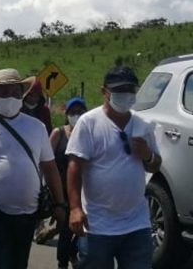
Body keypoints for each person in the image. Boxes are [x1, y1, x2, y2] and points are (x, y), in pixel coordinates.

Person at [0, 68, 67, 269]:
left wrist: (60, 204)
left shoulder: (37, 127)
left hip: (27, 212)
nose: (11, 97)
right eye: (4, 92)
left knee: (18, 262)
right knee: (0, 260)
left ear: (22, 95)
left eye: (16, 92)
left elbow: (50, 168)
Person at [66, 66, 162, 269]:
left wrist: (148, 155)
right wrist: (75, 208)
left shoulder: (143, 124)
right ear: (104, 92)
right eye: (119, 90)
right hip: (97, 225)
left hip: (137, 223)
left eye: (130, 89)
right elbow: (75, 167)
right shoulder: (88, 123)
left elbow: (155, 165)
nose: (126, 95)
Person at [47, 97, 87, 269]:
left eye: (80, 112)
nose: (76, 115)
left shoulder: (88, 134)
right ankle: (62, 262)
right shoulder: (59, 133)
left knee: (83, 228)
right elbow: (46, 160)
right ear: (67, 114)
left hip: (83, 190)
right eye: (73, 112)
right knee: (65, 228)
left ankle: (72, 250)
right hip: (61, 189)